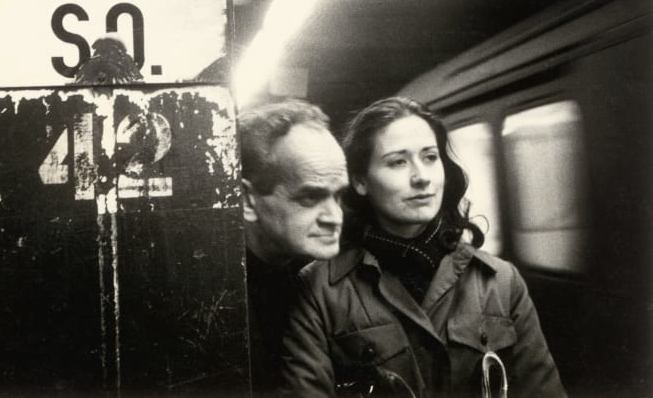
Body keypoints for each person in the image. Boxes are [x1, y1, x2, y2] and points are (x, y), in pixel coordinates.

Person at [281, 96, 566, 397]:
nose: (422, 178)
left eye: (430, 157)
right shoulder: (320, 290)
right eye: (398, 162)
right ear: (361, 180)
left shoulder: (500, 281)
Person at [238, 99, 349, 396]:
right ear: (248, 201)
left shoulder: (335, 278)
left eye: (338, 197)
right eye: (310, 198)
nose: (334, 218)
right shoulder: (218, 298)